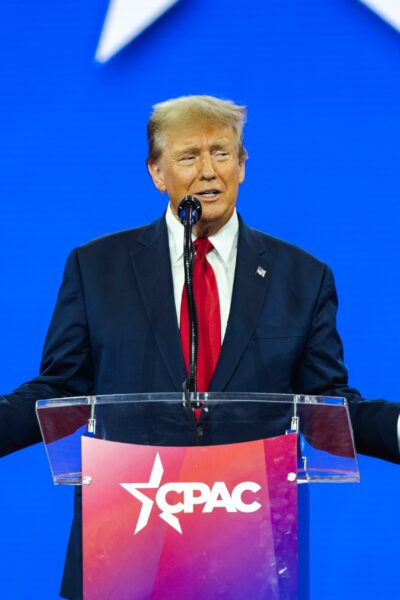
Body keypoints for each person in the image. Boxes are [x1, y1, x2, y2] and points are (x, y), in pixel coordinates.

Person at [1, 95, 399, 599]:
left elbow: (326, 408)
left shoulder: (303, 277)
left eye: (223, 153)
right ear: (157, 173)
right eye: (189, 156)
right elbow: (60, 389)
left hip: (246, 549)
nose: (208, 171)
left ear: (243, 165)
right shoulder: (95, 267)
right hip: (123, 548)